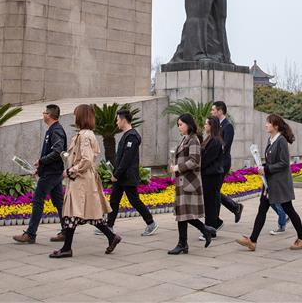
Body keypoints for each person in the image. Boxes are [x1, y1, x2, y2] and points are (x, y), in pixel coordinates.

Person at [51, 104, 121, 258]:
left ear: (81, 117)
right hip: (83, 179)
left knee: (71, 212)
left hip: (80, 180)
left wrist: (71, 170)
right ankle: (111, 237)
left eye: (76, 114)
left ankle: (67, 248)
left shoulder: (84, 136)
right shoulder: (86, 134)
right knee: (90, 213)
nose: (74, 117)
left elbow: (87, 160)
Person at [236, 114, 302, 251]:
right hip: (270, 182)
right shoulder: (272, 139)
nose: (266, 125)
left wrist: (266, 168)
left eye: (268, 123)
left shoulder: (280, 140)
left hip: (279, 183)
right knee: (262, 209)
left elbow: (283, 163)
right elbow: (272, 161)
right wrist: (262, 166)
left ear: (275, 126)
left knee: (289, 209)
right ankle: (252, 240)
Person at [14, 104, 67, 244]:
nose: (43, 114)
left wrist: (41, 161)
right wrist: (40, 168)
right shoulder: (53, 130)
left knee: (38, 200)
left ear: (48, 115)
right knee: (59, 202)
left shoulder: (56, 131)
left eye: (44, 112)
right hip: (52, 172)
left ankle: (30, 234)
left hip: (51, 173)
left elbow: (57, 151)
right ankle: (67, 231)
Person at [168, 113, 216, 254]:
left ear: (188, 124)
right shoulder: (185, 139)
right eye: (178, 125)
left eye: (181, 124)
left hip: (189, 182)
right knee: (182, 214)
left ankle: (190, 239)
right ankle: (187, 241)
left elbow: (194, 161)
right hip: (183, 182)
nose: (179, 127)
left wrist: (178, 167)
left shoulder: (193, 140)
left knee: (184, 214)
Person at [105, 108, 158, 236]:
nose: (116, 122)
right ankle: (109, 226)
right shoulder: (126, 135)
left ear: (123, 120)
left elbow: (127, 159)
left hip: (127, 176)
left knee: (134, 200)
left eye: (117, 120)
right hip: (121, 176)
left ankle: (151, 223)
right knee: (114, 200)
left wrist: (116, 175)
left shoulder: (132, 137)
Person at [211, 101, 244, 228]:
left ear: (220, 111)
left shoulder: (227, 126)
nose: (212, 112)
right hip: (215, 163)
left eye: (213, 110)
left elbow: (225, 146)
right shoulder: (215, 126)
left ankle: (215, 223)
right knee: (214, 191)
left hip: (222, 163)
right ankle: (235, 207)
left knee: (214, 191)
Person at [201, 116, 224, 232]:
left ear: (211, 126)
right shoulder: (209, 138)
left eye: (206, 124)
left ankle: (210, 229)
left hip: (212, 176)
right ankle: (215, 224)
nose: (204, 126)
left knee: (210, 204)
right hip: (209, 175)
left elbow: (206, 160)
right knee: (209, 203)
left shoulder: (215, 141)